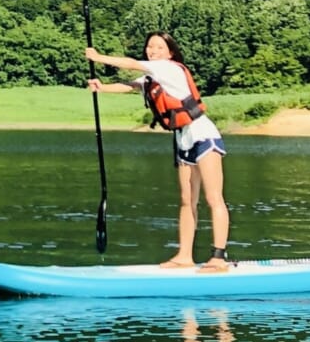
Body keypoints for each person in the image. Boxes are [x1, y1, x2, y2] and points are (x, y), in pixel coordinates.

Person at [86, 32, 232, 271]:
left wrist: (98, 57)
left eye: (159, 47)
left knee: (213, 198)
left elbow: (131, 64)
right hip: (183, 140)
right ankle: (185, 255)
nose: (152, 51)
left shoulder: (168, 68)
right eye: (150, 47)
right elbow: (131, 85)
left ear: (170, 52)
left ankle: (218, 257)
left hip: (204, 135)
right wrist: (101, 87)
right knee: (187, 201)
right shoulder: (153, 76)